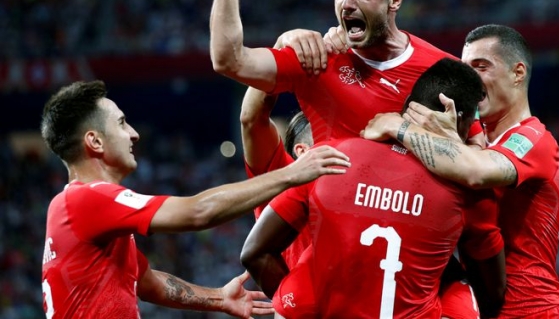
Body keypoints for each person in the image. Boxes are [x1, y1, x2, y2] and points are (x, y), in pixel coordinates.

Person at [40, 80, 350, 318]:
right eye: (121, 123)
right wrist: (292, 174)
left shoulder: (80, 208)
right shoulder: (87, 200)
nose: (133, 134)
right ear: (94, 141)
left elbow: (148, 283)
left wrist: (219, 298)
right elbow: (198, 211)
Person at [240, 58, 506, 318]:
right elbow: (491, 293)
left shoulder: (328, 157)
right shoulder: (469, 190)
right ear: (459, 119)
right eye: (473, 126)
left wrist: (293, 300)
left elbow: (254, 253)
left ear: (406, 105)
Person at [363, 25, 559, 318]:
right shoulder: (468, 142)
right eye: (465, 68)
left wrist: (398, 126)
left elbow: (476, 172)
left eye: (481, 66)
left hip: (533, 309)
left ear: (518, 73)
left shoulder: (534, 138)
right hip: (480, 304)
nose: (470, 80)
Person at [210, 0, 466, 144]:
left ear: (395, 0)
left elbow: (479, 152)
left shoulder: (443, 70)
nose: (347, 4)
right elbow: (228, 60)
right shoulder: (316, 58)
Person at [240, 83, 313, 270]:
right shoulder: (283, 175)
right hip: (299, 298)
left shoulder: (361, 184)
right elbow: (251, 117)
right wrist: (281, 57)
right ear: (302, 151)